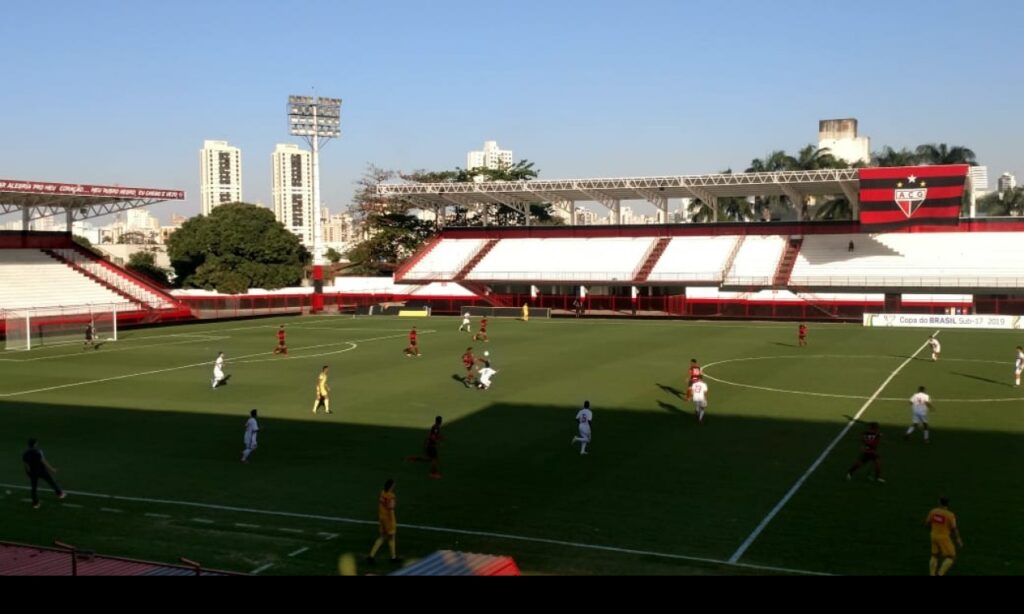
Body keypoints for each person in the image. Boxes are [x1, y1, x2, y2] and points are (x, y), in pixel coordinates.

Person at [23, 438, 66, 509]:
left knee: (34, 488)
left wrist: (28, 473)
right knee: (51, 481)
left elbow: (25, 464)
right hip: (41, 471)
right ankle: (60, 494)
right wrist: (52, 469)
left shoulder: (25, 453)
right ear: (35, 444)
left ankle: (35, 504)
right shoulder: (38, 451)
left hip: (33, 472)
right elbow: (43, 461)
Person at [925, 497, 963, 576]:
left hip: (933, 535)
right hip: (944, 537)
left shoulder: (933, 512)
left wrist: (932, 530)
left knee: (934, 555)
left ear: (939, 503)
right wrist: (958, 539)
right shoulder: (950, 515)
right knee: (951, 556)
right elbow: (954, 529)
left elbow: (927, 523)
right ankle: (940, 574)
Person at [367, 479, 399, 564]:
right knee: (391, 537)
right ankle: (393, 557)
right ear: (391, 486)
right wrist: (393, 520)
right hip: (388, 519)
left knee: (382, 537)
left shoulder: (382, 493)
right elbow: (391, 509)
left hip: (382, 518)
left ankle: (371, 555)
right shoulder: (391, 496)